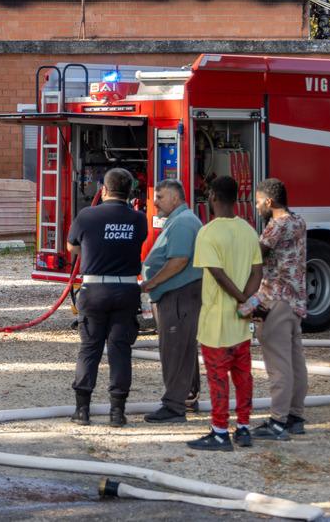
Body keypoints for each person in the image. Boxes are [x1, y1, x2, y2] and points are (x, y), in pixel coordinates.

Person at [66, 168, 148, 427]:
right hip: (126, 291)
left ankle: (82, 411)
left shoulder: (87, 216)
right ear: (130, 192)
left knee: (89, 349)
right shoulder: (139, 219)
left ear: (103, 190)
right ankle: (117, 412)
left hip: (94, 292)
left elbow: (71, 247)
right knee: (120, 350)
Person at [188, 176, 262, 451]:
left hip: (217, 322)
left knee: (218, 378)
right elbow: (257, 271)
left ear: (212, 198)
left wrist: (241, 299)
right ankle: (243, 428)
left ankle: (220, 431)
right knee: (243, 377)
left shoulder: (207, 233)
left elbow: (217, 275)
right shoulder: (248, 230)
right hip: (241, 323)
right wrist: (248, 303)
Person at [141, 179, 203, 423]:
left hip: (179, 296)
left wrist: (151, 282)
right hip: (179, 295)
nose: (155, 202)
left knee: (175, 349)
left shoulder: (184, 222)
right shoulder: (180, 220)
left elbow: (178, 261)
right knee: (183, 348)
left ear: (176, 198)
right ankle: (187, 398)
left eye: (160, 197)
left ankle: (174, 407)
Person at [252, 178, 308, 440]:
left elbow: (256, 255)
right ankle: (295, 416)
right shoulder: (298, 221)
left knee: (278, 364)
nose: (257, 205)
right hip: (296, 301)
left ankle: (277, 421)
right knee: (296, 361)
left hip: (275, 299)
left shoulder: (277, 225)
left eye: (258, 200)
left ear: (269, 201)